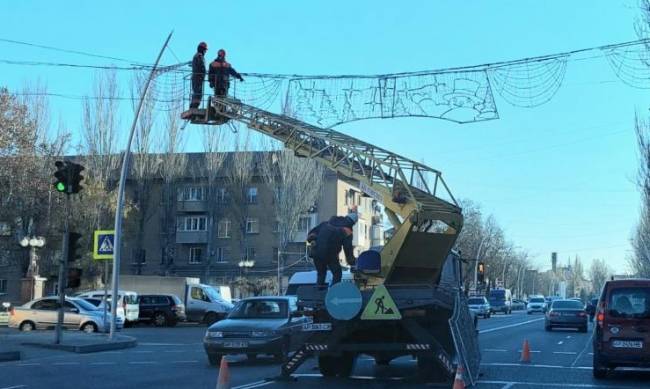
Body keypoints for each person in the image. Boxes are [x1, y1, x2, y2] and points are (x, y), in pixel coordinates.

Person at [307, 211, 358, 287]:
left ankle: (318, 292)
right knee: (337, 274)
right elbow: (348, 250)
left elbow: (310, 235)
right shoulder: (347, 231)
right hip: (330, 255)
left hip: (317, 252)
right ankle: (333, 292)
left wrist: (315, 241)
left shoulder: (326, 223)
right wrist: (353, 263)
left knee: (321, 273)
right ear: (353, 223)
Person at [190, 42, 208, 109]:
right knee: (198, 93)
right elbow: (202, 67)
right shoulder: (200, 56)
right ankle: (194, 106)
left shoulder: (196, 56)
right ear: (203, 49)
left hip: (195, 77)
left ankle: (192, 106)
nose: (205, 52)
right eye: (205, 50)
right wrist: (204, 75)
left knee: (196, 92)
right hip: (198, 77)